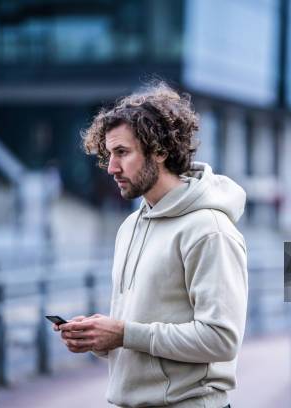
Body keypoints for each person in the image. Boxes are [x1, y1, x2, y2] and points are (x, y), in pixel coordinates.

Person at [54, 81, 248, 408]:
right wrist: (99, 337)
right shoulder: (131, 226)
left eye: (122, 153)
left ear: (159, 150)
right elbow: (138, 330)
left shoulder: (210, 229)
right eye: (108, 154)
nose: (111, 168)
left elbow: (221, 339)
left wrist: (124, 333)